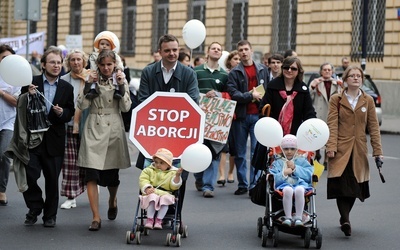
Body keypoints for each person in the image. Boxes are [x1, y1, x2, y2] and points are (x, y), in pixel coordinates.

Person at [77, 49, 132, 231]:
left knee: (112, 177)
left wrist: (123, 86)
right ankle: (95, 216)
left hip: (113, 129)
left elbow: (125, 108)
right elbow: (82, 105)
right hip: (94, 126)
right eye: (103, 65)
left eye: (109, 64)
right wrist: (87, 84)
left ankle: (112, 199)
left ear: (114, 64)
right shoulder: (91, 79)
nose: (106, 68)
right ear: (98, 65)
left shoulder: (120, 79)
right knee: (91, 174)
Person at [20, 46, 75, 227]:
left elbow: (70, 112)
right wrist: (29, 95)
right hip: (33, 139)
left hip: (55, 139)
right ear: (43, 65)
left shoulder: (66, 87)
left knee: (52, 180)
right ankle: (35, 206)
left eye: (59, 62)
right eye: (52, 62)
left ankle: (50, 216)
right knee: (29, 175)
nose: (56, 65)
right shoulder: (31, 83)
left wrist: (61, 113)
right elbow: (21, 106)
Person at [326, 65, 383, 237]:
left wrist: (377, 151)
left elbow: (373, 127)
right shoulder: (336, 99)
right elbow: (332, 124)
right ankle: (345, 219)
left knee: (354, 186)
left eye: (359, 76)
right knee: (341, 185)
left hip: (359, 149)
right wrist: (331, 146)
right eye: (352, 76)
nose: (356, 78)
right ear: (345, 79)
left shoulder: (368, 100)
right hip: (341, 149)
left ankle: (345, 217)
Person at [226, 40, 269, 195]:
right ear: (238, 53)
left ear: (251, 51)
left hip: (258, 115)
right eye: (240, 50)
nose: (243, 52)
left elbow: (267, 90)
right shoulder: (234, 72)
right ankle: (243, 183)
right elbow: (233, 93)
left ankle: (254, 184)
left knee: (255, 152)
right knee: (240, 152)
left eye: (246, 49)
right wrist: (250, 95)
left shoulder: (262, 69)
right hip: (241, 117)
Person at [193, 42, 228, 197]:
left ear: (221, 54)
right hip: (199, 119)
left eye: (219, 49)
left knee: (214, 151)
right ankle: (199, 177)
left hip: (216, 122)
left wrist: (218, 95)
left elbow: (228, 95)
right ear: (207, 52)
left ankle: (208, 187)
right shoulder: (196, 71)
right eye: (213, 48)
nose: (216, 50)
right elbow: (191, 91)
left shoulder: (225, 75)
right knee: (198, 151)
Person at [59, 49, 90, 209]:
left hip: (88, 128)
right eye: (73, 60)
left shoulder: (91, 78)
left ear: (83, 61)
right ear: (68, 62)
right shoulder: (63, 80)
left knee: (88, 162)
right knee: (70, 163)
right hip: (69, 127)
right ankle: (71, 196)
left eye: (79, 59)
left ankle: (91, 188)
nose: (76, 62)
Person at [269, 134, 313, 227]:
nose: (289, 151)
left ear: (296, 149)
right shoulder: (278, 162)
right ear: (282, 149)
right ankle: (288, 217)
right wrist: (284, 173)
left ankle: (298, 217)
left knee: (300, 190)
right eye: (286, 149)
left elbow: (309, 174)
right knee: (287, 190)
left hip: (300, 184)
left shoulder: (301, 160)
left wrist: (295, 168)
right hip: (284, 185)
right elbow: (273, 178)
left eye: (292, 149)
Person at [139, 148, 183, 229]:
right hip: (152, 191)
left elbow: (174, 186)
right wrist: (147, 187)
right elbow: (143, 180)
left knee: (165, 201)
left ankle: (159, 220)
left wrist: (177, 176)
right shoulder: (148, 170)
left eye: (161, 163)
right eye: (156, 162)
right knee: (152, 198)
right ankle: (150, 219)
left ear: (168, 164)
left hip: (165, 193)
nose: (158, 165)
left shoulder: (172, 173)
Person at [309, 62, 342, 167]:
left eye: (329, 70)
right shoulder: (316, 83)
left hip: (332, 114)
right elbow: (309, 98)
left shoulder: (336, 84)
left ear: (332, 72)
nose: (327, 71)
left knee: (330, 136)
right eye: (325, 70)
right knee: (318, 135)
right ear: (321, 71)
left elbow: (342, 97)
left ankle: (327, 159)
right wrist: (312, 87)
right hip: (319, 113)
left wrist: (341, 85)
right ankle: (317, 154)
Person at [0, 44, 21, 205]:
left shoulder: (15, 77)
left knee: (4, 155)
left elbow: (16, 102)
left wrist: (1, 92)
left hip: (8, 122)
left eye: (9, 58)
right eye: (3, 58)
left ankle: (1, 191)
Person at [86, 32, 124, 100]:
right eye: (102, 44)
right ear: (98, 45)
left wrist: (119, 70)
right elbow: (93, 64)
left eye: (107, 44)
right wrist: (95, 71)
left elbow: (119, 63)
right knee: (91, 76)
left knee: (116, 76)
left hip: (112, 73)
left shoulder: (115, 55)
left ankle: (117, 90)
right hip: (96, 71)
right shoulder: (94, 55)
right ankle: (93, 89)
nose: (104, 46)